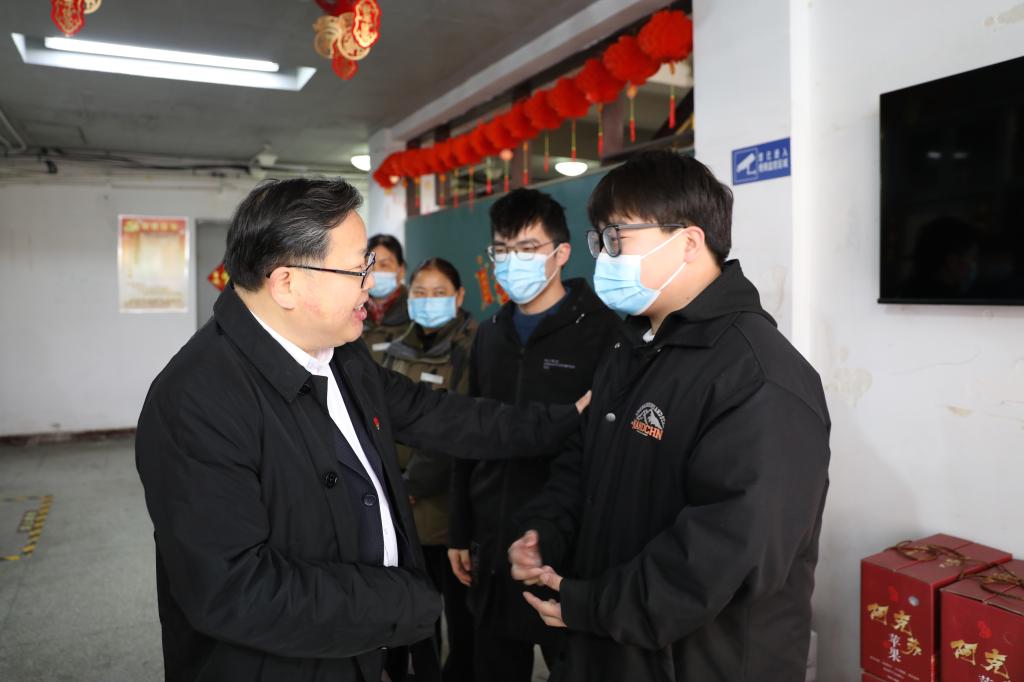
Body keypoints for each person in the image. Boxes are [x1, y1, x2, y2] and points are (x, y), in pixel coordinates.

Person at [134, 178, 586, 682]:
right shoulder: (196, 401)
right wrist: (405, 602)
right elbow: (234, 590)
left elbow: (441, 416)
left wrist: (567, 419)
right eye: (357, 269)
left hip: (376, 649)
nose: (371, 283)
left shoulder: (340, 353)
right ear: (287, 283)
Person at [508, 150, 831, 682]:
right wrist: (548, 531)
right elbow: (584, 461)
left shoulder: (759, 377)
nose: (603, 256)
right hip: (611, 646)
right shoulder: (632, 345)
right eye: (599, 240)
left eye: (618, 238)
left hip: (700, 661)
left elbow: (725, 552)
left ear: (688, 242)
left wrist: (593, 605)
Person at [448, 188, 621, 682]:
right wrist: (460, 529)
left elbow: (606, 449)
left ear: (561, 253)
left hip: (565, 547)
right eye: (502, 250)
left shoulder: (602, 331)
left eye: (527, 248)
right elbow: (469, 433)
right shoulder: (489, 334)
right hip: (492, 540)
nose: (512, 261)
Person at [381, 257, 476, 681]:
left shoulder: (471, 348)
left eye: (439, 293)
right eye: (420, 292)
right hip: (403, 508)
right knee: (414, 616)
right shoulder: (399, 346)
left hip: (445, 512)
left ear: (459, 296)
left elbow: (456, 426)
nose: (428, 301)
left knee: (458, 615)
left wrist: (411, 483)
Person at [364, 233, 410, 363]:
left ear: (401, 270)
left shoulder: (417, 311)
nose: (375, 272)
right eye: (370, 266)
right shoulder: (352, 310)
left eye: (384, 265)